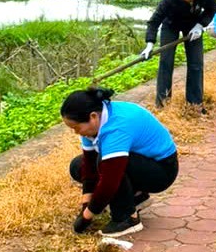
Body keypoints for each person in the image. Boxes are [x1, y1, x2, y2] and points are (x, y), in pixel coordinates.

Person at [65, 87, 178, 237]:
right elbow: (89, 166)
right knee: (78, 166)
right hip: (138, 162)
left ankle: (126, 218)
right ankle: (136, 198)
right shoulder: (93, 123)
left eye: (76, 127)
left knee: (105, 164)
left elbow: (109, 182)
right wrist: (86, 204)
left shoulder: (117, 126)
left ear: (93, 116)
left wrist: (87, 216)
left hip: (162, 170)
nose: (76, 132)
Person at [143, 0, 216, 110]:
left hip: (193, 27)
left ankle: (194, 104)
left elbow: (211, 10)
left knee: (196, 63)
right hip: (171, 25)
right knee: (166, 61)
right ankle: (163, 104)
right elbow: (154, 20)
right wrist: (149, 43)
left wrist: (200, 25)